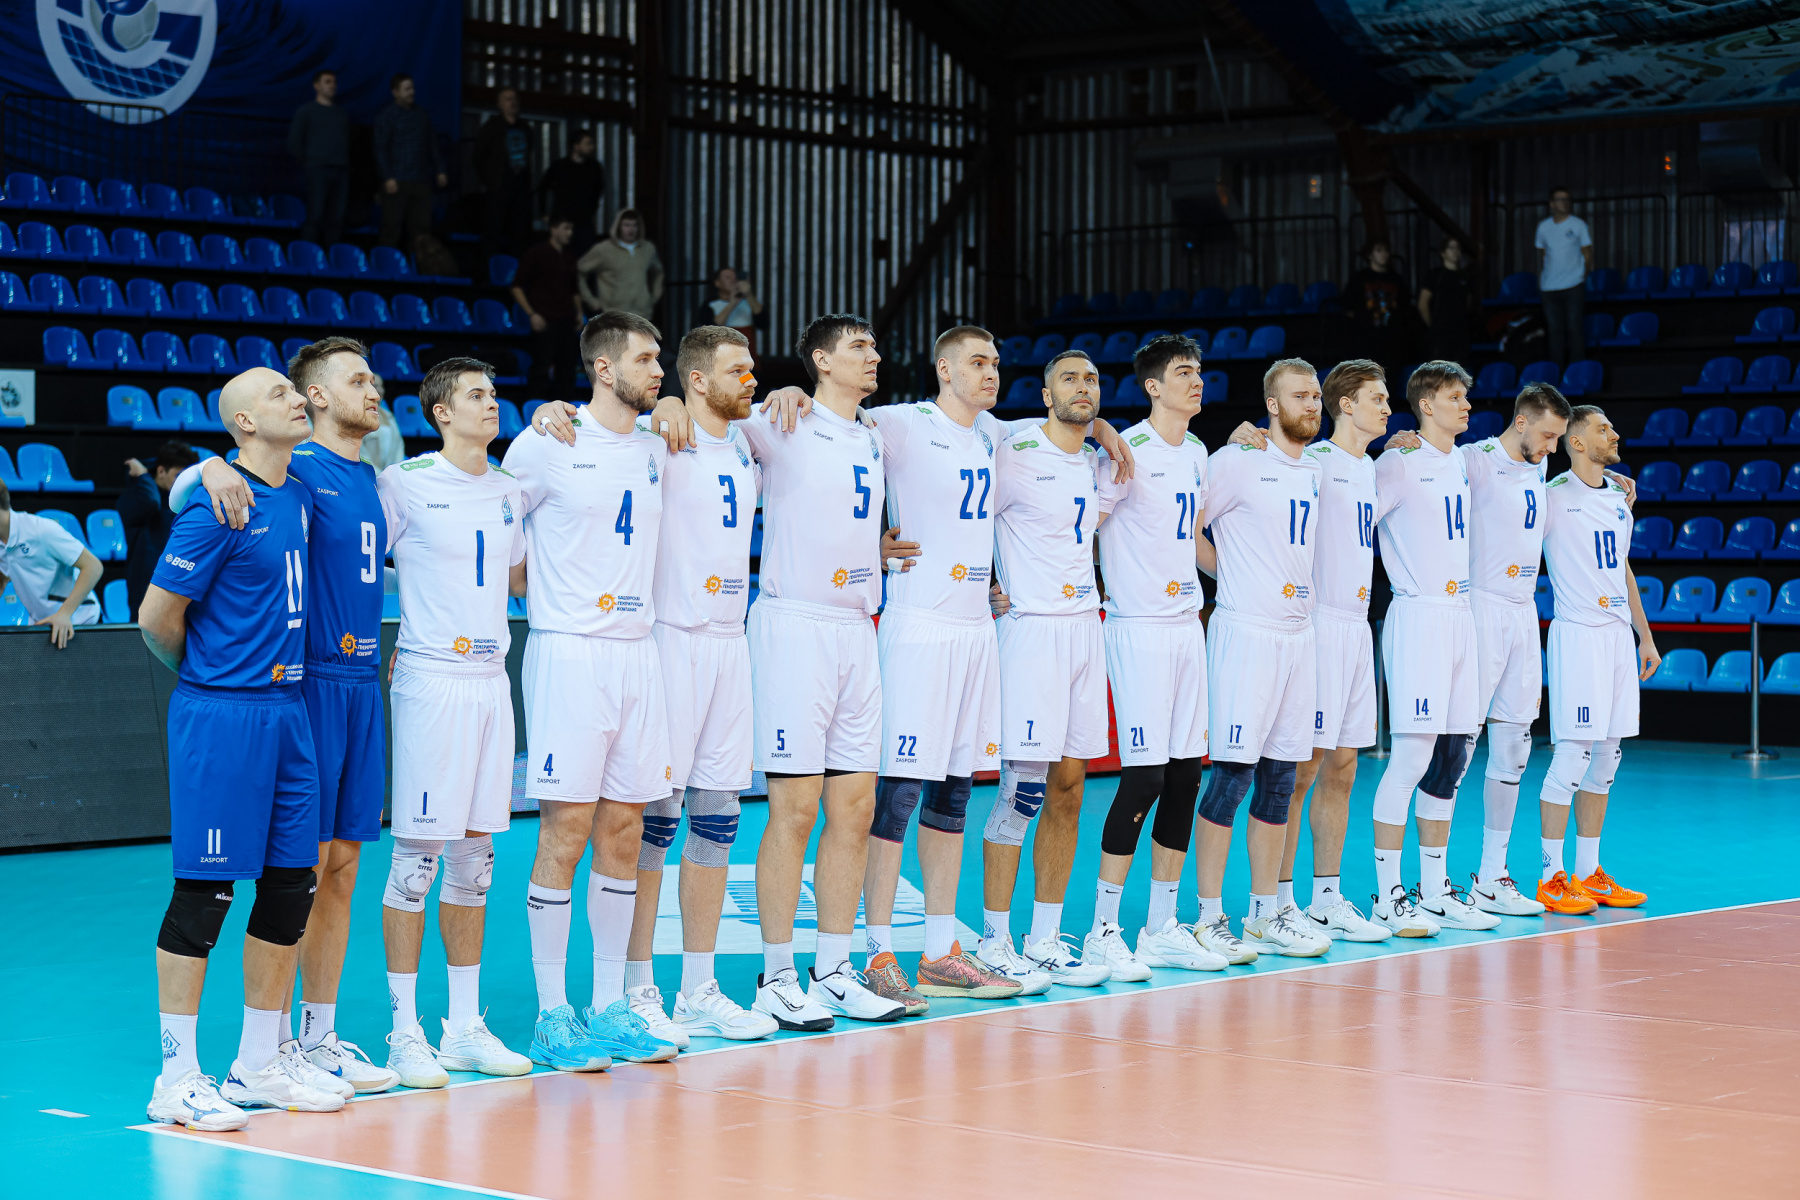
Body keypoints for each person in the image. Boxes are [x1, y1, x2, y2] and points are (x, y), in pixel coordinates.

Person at [169, 338, 402, 1094]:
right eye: (356, 378)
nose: (373, 387)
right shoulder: (281, 472)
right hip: (279, 693)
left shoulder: (360, 478)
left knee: (324, 873)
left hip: (341, 690)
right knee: (259, 878)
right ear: (317, 395)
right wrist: (206, 466)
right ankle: (230, 1057)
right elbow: (214, 485)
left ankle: (301, 1041)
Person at [139, 367, 341, 1130]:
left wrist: (208, 463)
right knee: (206, 895)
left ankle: (258, 1064)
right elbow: (156, 619)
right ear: (245, 422)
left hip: (290, 712)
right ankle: (175, 1077)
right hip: (223, 714)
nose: (299, 398)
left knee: (291, 885)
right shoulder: (215, 506)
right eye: (280, 394)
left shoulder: (297, 491)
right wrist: (211, 678)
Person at [502, 311, 683, 1070]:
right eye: (646, 360)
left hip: (638, 654)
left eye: (661, 359)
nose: (659, 371)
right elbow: (497, 538)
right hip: (570, 652)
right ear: (604, 369)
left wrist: (676, 405)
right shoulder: (544, 442)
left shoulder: (656, 445)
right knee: (566, 830)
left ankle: (610, 1005)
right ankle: (553, 1015)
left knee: (624, 831)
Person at [734, 314, 902, 1029]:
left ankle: (832, 970)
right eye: (858, 347)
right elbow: (700, 418)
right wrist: (676, 401)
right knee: (795, 808)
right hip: (795, 625)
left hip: (856, 628)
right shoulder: (782, 420)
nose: (874, 356)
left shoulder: (875, 433)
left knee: (856, 808)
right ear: (821, 360)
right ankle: (775, 975)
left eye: (875, 346)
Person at [852, 327, 1026, 1011]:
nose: (991, 372)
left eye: (996, 362)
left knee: (953, 795)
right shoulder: (901, 423)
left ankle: (938, 951)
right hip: (919, 627)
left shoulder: (993, 433)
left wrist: (1101, 427)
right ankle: (875, 953)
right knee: (898, 796)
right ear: (944, 369)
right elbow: (820, 439)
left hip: (975, 630)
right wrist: (866, 542)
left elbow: (1061, 431)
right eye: (977, 362)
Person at [376, 358, 533, 1087]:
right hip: (431, 679)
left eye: (494, 393)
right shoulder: (402, 483)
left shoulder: (510, 491)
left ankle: (463, 1027)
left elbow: (521, 577)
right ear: (440, 412)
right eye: (476, 395)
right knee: (417, 861)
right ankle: (403, 1031)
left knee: (476, 859)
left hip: (491, 680)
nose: (491, 404)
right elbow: (355, 560)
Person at [623, 326, 776, 1041]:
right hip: (671, 640)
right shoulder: (656, 440)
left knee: (718, 818)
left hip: (729, 642)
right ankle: (636, 986)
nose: (752, 379)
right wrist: (658, 408)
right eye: (737, 371)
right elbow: (595, 429)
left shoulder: (746, 442)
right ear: (697, 380)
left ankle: (698, 987)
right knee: (655, 822)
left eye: (752, 368)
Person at [1234, 360, 1394, 944]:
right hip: (1317, 623)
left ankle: (1326, 898)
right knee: (1298, 770)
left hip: (1357, 626)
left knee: (1345, 766)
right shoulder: (1314, 461)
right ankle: (1277, 901)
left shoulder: (1373, 467)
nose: (1387, 408)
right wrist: (1242, 434)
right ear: (1344, 404)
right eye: (1377, 399)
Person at [1083, 333, 1228, 976]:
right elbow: (1081, 527)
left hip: (1186, 627)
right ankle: (1102, 930)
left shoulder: (1196, 452)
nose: (1197, 381)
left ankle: (1162, 926)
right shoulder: (1127, 451)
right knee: (1142, 777)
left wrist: (1242, 582)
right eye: (1184, 372)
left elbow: (1192, 536)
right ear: (1152, 386)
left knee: (1184, 777)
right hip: (1138, 629)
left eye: (1199, 371)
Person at [974, 349, 1115, 989]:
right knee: (1021, 791)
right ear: (1045, 395)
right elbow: (963, 515)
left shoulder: (1097, 460)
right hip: (1030, 632)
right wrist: (978, 583)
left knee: (1070, 787)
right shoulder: (1014, 450)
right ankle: (995, 940)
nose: (1083, 387)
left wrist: (1107, 433)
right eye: (1069, 379)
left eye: (1091, 379)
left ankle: (1045, 937)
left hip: (1086, 628)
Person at [1192, 359, 1330, 960]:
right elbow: (1184, 526)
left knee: (1281, 778)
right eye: (1300, 396)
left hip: (1300, 635)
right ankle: (1207, 917)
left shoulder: (1315, 468)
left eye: (1317, 395)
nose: (1312, 404)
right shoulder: (1237, 461)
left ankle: (1265, 912)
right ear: (1272, 405)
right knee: (1232, 776)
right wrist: (1232, 576)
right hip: (1247, 635)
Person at [1366, 361, 1496, 937]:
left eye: (1467, 396)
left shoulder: (1463, 461)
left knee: (1452, 759)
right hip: (1418, 615)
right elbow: (1350, 520)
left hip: (1461, 616)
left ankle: (1436, 890)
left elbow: (1526, 447)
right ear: (1425, 405)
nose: (1466, 405)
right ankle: (1387, 895)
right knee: (1411, 758)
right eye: (1454, 397)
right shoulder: (1396, 462)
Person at [1537, 406, 1656, 911]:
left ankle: (1589, 873)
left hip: (1616, 638)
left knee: (1607, 758)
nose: (1615, 433)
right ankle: (1551, 875)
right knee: (1572, 756)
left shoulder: (1618, 498)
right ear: (1577, 442)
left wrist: (1644, 636)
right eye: (1603, 429)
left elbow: (1623, 570)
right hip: (1579, 636)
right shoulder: (1551, 497)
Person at [1458, 383, 1568, 918]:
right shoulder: (1474, 459)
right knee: (1457, 748)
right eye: (1547, 435)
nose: (1552, 447)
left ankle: (1492, 875)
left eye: (1558, 439)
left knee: (1514, 748)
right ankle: (1433, 883)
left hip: (1524, 611)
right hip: (1480, 607)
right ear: (1521, 421)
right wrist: (1402, 442)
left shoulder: (1540, 466)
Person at [0, 484, 102, 646]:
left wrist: (64, 613)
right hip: (43, 624)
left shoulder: (41, 530)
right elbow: (4, 574)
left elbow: (94, 566)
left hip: (79, 622)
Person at [120, 440, 198, 619]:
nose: (182, 483)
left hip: (179, 587)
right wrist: (144, 475)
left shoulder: (185, 503)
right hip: (145, 591)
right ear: (161, 471)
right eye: (178, 475)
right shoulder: (136, 498)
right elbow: (151, 502)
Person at [510, 217, 582, 398]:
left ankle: (566, 411)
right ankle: (535, 409)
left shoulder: (570, 256)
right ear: (553, 229)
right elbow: (516, 286)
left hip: (567, 320)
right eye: (566, 228)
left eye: (571, 229)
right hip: (545, 320)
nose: (570, 233)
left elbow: (574, 289)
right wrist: (532, 314)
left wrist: (579, 312)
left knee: (567, 371)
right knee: (540, 370)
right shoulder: (537, 253)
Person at [374, 74, 447, 251]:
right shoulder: (387, 115)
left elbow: (432, 144)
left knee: (421, 231)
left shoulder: (421, 115)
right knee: (391, 228)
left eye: (412, 88)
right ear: (395, 92)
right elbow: (380, 148)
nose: (411, 92)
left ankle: (417, 266)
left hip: (420, 179)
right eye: (407, 89)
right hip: (397, 179)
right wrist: (387, 176)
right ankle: (388, 264)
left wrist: (440, 170)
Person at [287, 70, 350, 248]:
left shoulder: (341, 114)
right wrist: (310, 162)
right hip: (318, 170)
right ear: (316, 86)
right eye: (327, 82)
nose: (332, 86)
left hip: (340, 170)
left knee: (337, 218)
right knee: (315, 215)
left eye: (334, 82)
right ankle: (309, 256)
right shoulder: (306, 111)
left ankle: (332, 258)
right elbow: (294, 143)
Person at [1537, 186, 1592, 366]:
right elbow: (1542, 255)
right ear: (1552, 204)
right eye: (1560, 199)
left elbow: (1587, 253)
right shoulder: (1543, 227)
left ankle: (1578, 370)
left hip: (1573, 284)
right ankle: (1556, 371)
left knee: (1574, 329)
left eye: (1567, 199)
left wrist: (1581, 275)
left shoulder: (1578, 225)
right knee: (1554, 331)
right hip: (1549, 287)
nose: (1564, 203)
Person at [577, 209, 664, 322]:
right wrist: (591, 301)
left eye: (634, 225)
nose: (631, 229)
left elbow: (658, 272)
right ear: (618, 226)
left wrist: (654, 296)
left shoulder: (648, 249)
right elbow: (580, 271)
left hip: (642, 314)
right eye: (626, 225)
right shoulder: (604, 249)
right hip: (614, 315)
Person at [475, 88, 533, 257]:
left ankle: (518, 269)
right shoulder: (492, 127)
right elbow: (478, 157)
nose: (512, 102)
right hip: (499, 187)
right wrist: (489, 182)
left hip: (520, 188)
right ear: (499, 104)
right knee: (493, 231)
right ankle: (490, 268)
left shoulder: (525, 127)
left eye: (514, 98)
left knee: (520, 232)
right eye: (508, 99)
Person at [537, 128, 605, 250]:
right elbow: (542, 188)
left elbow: (598, 190)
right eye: (588, 144)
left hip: (584, 222)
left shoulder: (594, 167)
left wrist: (591, 210)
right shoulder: (560, 166)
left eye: (592, 144)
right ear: (576, 146)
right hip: (562, 220)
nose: (592, 147)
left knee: (586, 254)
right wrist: (543, 213)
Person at [1344, 240, 1410, 361]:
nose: (1384, 254)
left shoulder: (1397, 279)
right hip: (1365, 338)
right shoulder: (1359, 278)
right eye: (1379, 250)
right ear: (1370, 255)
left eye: (1386, 250)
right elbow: (1348, 306)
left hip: (1392, 339)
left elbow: (1405, 306)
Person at [1419, 238, 1474, 364]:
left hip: (1461, 333)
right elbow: (1423, 304)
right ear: (1443, 253)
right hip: (1440, 334)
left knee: (1460, 369)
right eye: (1451, 247)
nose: (1455, 251)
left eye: (1458, 248)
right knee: (1440, 370)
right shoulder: (1435, 275)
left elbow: (1468, 303)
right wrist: (1433, 327)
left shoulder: (1465, 276)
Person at [693, 267, 765, 357]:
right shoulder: (710, 304)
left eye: (735, 278)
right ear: (717, 283)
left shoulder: (749, 302)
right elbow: (709, 330)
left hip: (747, 358)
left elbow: (763, 323)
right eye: (728, 277)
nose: (733, 281)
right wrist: (732, 303)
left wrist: (749, 294)